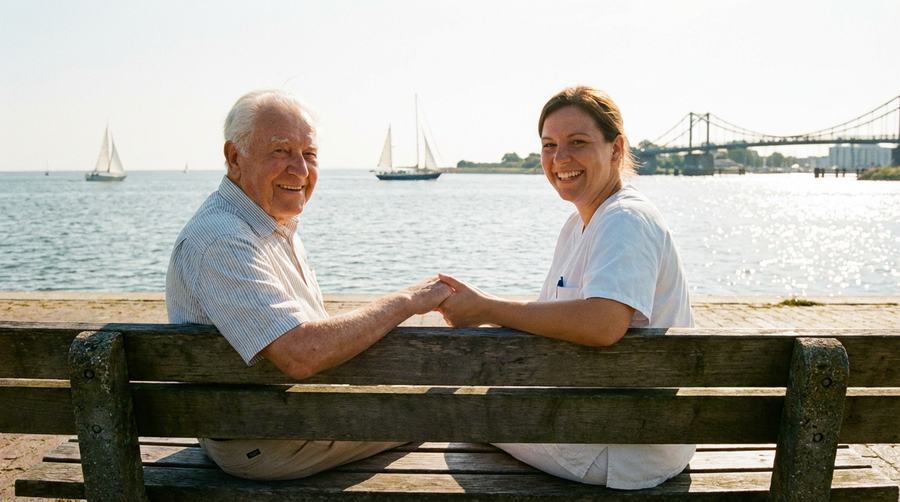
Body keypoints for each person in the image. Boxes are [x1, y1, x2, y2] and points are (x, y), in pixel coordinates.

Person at [166, 89, 452, 481]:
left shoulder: (266, 224)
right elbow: (301, 354)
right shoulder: (223, 240)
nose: (300, 170)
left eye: (309, 154)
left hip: (270, 420)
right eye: (280, 151)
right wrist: (406, 301)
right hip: (265, 441)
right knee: (451, 407)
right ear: (235, 158)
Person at [437, 86, 695, 490]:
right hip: (613, 424)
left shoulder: (625, 218)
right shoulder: (580, 223)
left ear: (616, 149)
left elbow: (602, 323)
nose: (560, 159)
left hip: (624, 446)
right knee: (475, 401)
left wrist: (486, 308)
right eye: (549, 145)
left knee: (458, 414)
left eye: (578, 143)